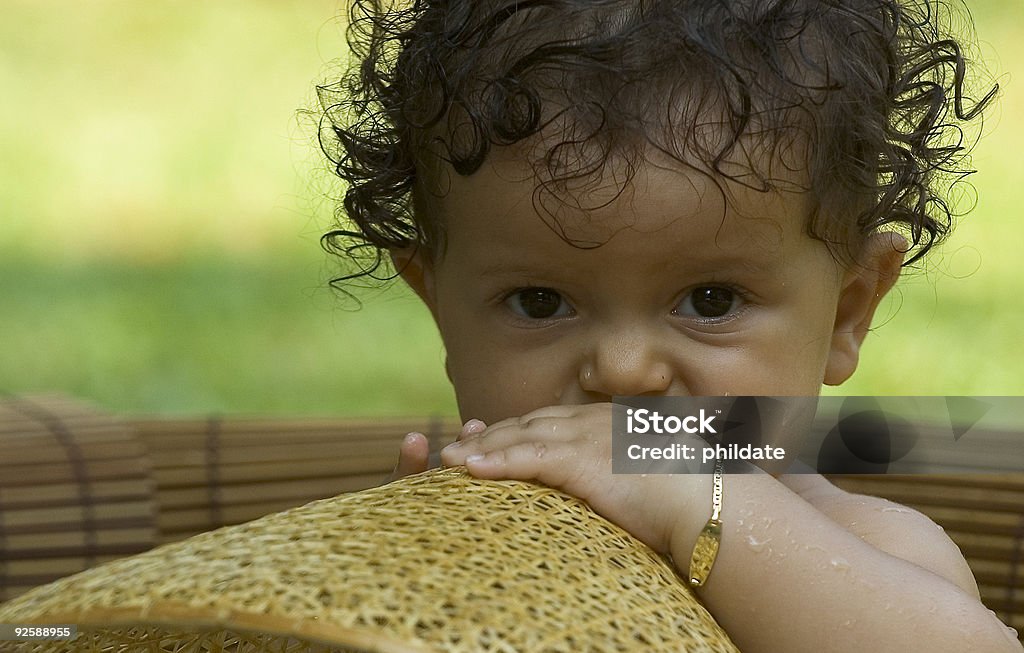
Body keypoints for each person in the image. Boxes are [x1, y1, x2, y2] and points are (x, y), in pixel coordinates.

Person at [317, 0, 1019, 650]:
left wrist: (696, 498)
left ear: (846, 313)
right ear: (441, 310)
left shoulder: (867, 550)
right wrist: (394, 584)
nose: (623, 370)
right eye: (538, 301)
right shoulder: (454, 535)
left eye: (711, 300)